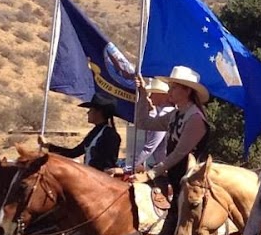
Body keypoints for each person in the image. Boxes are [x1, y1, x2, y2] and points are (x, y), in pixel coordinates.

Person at [131, 66, 210, 198]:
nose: (169, 91)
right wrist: (142, 93)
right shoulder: (175, 114)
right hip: (175, 177)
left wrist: (150, 174)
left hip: (191, 185)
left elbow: (179, 153)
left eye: (174, 88)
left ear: (187, 91)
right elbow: (143, 123)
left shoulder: (195, 118)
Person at [38, 92, 121, 171]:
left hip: (99, 179)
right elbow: (74, 153)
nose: (88, 112)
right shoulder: (95, 132)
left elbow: (108, 165)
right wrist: (48, 146)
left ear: (99, 112)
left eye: (91, 109)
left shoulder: (110, 135)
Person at [134, 77, 175, 171]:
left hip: (165, 169)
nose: (151, 96)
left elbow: (149, 147)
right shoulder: (165, 112)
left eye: (154, 93)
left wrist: (130, 168)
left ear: (163, 95)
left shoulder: (165, 114)